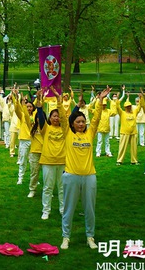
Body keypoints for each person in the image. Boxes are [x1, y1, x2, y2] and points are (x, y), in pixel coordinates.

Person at [60, 86, 111, 250]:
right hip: (70, 176)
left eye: (83, 121)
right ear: (73, 124)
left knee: (89, 209)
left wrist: (101, 100)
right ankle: (66, 237)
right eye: (78, 122)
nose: (81, 124)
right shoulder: (68, 133)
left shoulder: (90, 133)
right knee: (68, 209)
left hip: (89, 176)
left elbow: (96, 118)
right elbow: (62, 117)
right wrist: (59, 102)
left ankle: (90, 237)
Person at [37, 87, 67, 220]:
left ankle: (62, 209)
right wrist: (39, 101)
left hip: (62, 161)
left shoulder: (65, 129)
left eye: (58, 116)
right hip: (48, 161)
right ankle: (46, 210)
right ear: (50, 117)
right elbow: (40, 115)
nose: (56, 118)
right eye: (54, 116)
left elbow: (66, 117)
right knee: (48, 188)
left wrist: (59, 101)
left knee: (62, 188)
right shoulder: (46, 129)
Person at [115, 94, 141, 166]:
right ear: (125, 107)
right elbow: (117, 107)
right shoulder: (122, 113)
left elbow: (139, 107)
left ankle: (134, 161)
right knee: (122, 147)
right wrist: (117, 99)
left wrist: (141, 99)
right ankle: (119, 160)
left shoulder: (134, 112)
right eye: (127, 107)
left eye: (129, 106)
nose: (129, 108)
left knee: (134, 148)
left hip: (133, 132)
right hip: (124, 132)